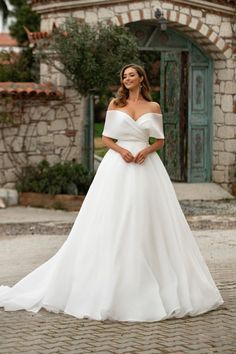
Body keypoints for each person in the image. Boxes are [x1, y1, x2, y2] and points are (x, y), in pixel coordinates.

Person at [0, 63, 223, 322]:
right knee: (113, 217)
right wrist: (122, 151)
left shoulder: (154, 107)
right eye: (124, 75)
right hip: (118, 165)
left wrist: (145, 151)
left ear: (141, 78)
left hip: (146, 166)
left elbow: (160, 140)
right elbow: (106, 138)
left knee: (149, 220)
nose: (126, 78)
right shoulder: (115, 104)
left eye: (131, 75)